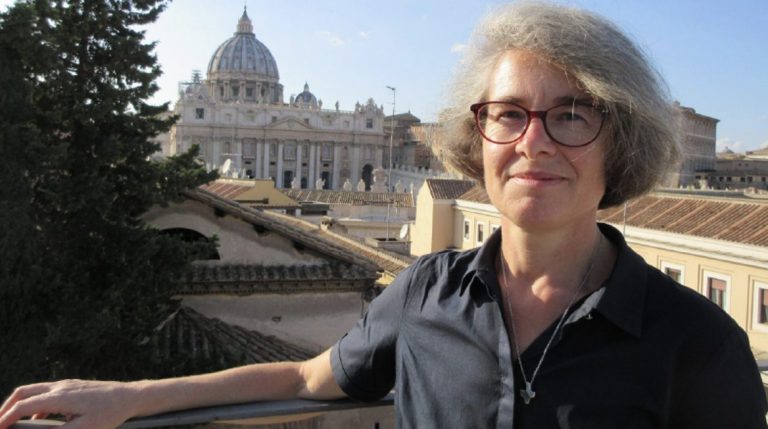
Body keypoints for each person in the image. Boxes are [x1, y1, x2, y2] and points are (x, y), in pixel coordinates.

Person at [1, 2, 766, 428]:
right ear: (477, 139)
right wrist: (133, 395)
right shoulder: (424, 291)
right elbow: (305, 377)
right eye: (508, 114)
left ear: (619, 143)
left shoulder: (702, 347)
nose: (533, 142)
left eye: (571, 115)